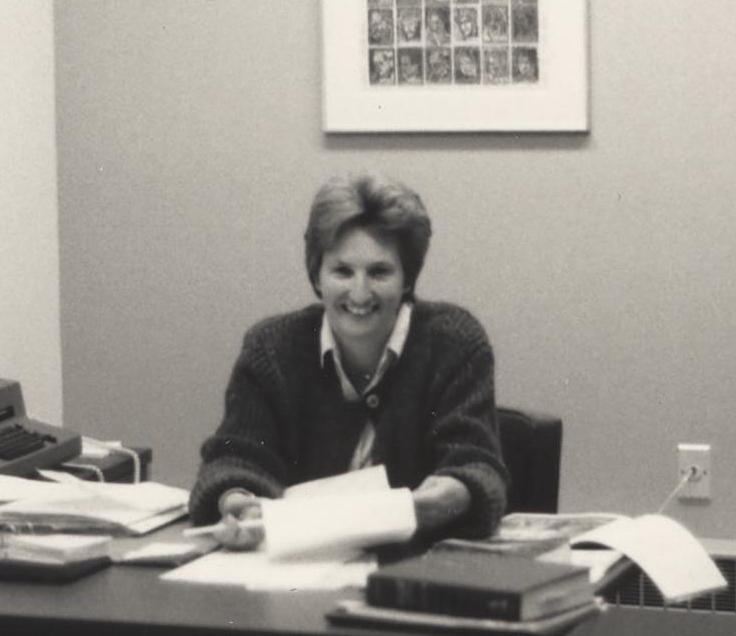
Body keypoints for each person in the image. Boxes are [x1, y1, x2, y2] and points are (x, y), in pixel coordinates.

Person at [189, 173, 508, 548]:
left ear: (407, 279)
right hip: (299, 565)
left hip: (416, 565)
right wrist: (238, 501)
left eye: (379, 272)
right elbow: (234, 460)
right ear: (317, 275)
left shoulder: (454, 343)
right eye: (342, 271)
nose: (359, 293)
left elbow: (476, 466)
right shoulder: (271, 348)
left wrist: (446, 498)